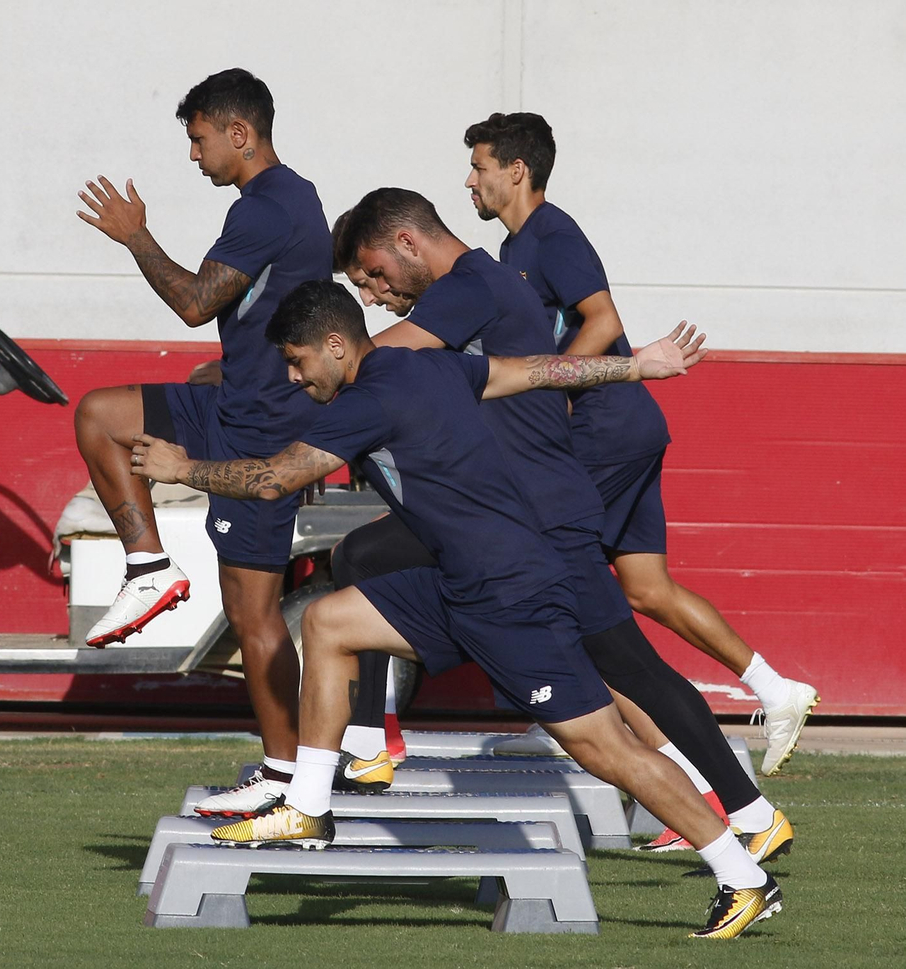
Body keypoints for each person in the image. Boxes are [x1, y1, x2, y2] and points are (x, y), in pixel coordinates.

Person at [133, 280, 782, 939]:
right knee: (329, 623)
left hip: (512, 596)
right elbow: (535, 370)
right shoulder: (426, 366)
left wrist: (183, 468)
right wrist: (634, 366)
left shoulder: (369, 400)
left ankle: (743, 876)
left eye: (298, 362)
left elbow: (273, 479)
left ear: (335, 345)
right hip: (458, 582)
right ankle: (306, 806)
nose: (296, 377)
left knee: (604, 748)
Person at [330, 188, 793, 862]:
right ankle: (369, 740)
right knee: (362, 557)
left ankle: (748, 812)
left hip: (541, 521)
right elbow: (537, 371)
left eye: (375, 274)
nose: (376, 294)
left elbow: (369, 365)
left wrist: (268, 374)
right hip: (518, 516)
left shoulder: (468, 288)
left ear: (407, 241)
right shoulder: (487, 284)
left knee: (632, 670)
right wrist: (634, 364)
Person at [462, 111, 818, 777]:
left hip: (603, 429)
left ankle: (622, 740)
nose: (469, 181)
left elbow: (604, 320)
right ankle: (776, 690)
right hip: (627, 426)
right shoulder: (515, 249)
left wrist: (552, 393)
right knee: (647, 589)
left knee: (553, 577)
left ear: (516, 170)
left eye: (479, 167)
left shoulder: (552, 234)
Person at [73, 69, 330, 816]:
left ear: (239, 134)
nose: (193, 155)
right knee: (100, 415)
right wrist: (235, 364)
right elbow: (274, 311)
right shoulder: (289, 199)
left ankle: (285, 776)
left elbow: (193, 302)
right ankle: (149, 566)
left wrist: (135, 235)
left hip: (259, 430)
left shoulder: (267, 207)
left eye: (198, 139)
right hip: (234, 399)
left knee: (254, 615)